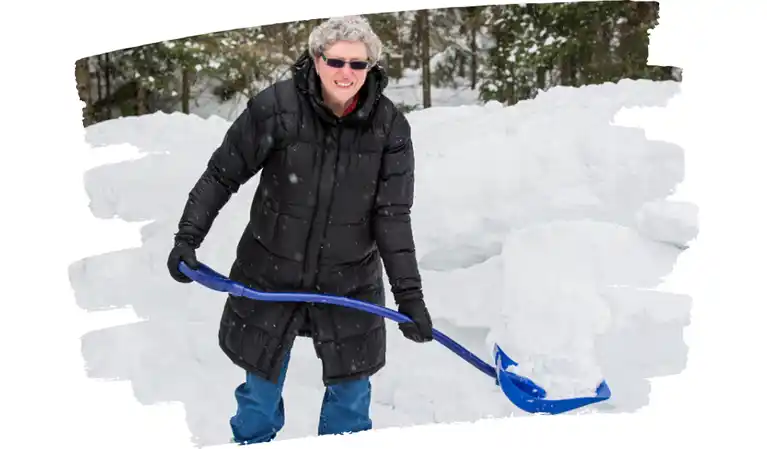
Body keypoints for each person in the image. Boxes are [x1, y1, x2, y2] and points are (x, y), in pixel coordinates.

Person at [166, 15, 434, 444]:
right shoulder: (276, 108)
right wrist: (187, 238)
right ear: (316, 57)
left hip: (350, 283)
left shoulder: (389, 129)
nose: (346, 73)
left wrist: (410, 298)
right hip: (269, 275)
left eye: (358, 65)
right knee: (259, 399)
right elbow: (221, 174)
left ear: (371, 68)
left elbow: (392, 217)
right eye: (336, 61)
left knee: (350, 400)